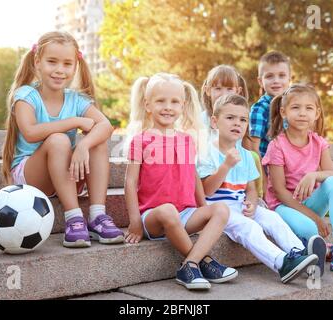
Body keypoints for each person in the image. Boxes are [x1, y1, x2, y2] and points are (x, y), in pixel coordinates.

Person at [2, 31, 124, 248]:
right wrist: (74, 122)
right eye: (52, 62)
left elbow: (105, 125)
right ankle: (74, 218)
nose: (59, 70)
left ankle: (97, 216)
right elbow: (30, 132)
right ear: (37, 62)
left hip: (66, 174)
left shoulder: (76, 99)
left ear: (75, 66)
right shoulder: (26, 96)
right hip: (32, 177)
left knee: (96, 141)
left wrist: (84, 145)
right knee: (59, 140)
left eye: (67, 64)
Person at [124, 73, 238, 290]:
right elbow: (130, 183)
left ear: (182, 105)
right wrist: (135, 222)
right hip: (155, 216)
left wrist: (204, 208)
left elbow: (193, 175)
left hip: (185, 214)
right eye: (160, 101)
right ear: (148, 105)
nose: (168, 107)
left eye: (174, 101)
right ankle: (204, 262)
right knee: (168, 210)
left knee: (221, 209)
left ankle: (189, 265)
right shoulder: (141, 140)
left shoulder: (187, 140)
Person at [197, 93, 322, 283]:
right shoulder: (207, 153)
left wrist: (253, 203)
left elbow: (251, 189)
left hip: (240, 205)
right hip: (218, 211)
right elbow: (207, 191)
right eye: (230, 118)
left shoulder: (247, 155)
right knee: (250, 228)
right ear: (215, 122)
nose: (237, 123)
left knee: (273, 218)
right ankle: (282, 263)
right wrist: (226, 166)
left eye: (242, 120)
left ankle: (299, 253)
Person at [262, 84, 333, 278]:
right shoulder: (277, 145)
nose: (302, 113)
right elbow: (279, 192)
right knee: (310, 228)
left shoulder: (319, 143)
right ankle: (323, 248)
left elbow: (332, 173)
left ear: (317, 113)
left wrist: (314, 175)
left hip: (309, 203)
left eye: (309, 108)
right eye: (295, 107)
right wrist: (315, 217)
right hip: (283, 207)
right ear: (284, 112)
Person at [200, 65, 265, 200]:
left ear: (238, 91)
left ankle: (256, 197)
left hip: (234, 173)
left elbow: (244, 149)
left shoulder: (240, 118)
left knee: (252, 157)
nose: (224, 93)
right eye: (218, 88)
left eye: (229, 89)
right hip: (210, 168)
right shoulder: (201, 120)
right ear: (207, 90)